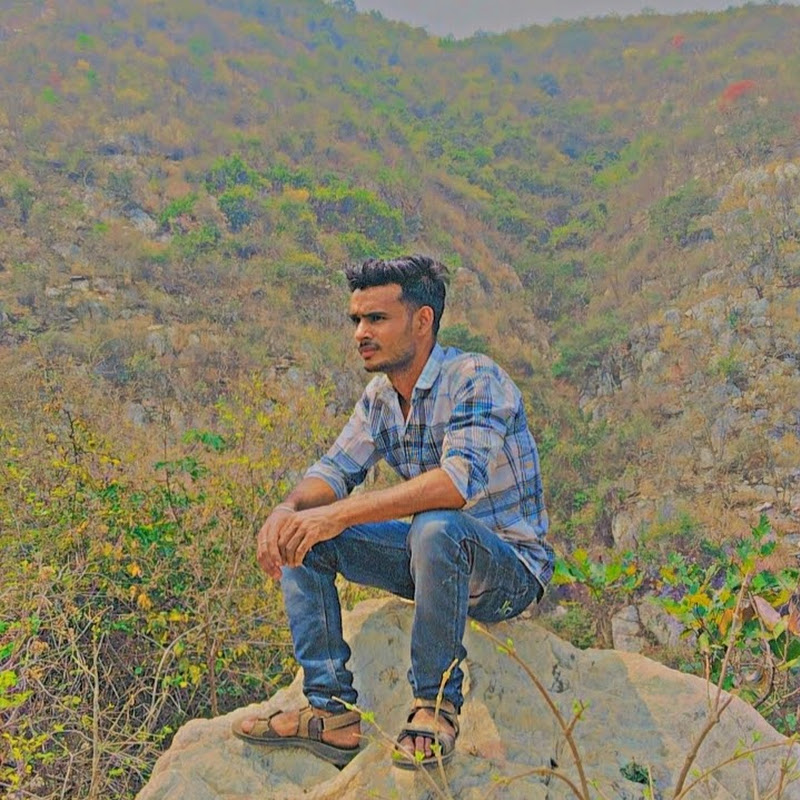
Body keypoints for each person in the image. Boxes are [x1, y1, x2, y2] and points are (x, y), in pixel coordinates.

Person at [232, 255, 553, 768]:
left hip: (507, 572)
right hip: (432, 560)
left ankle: (435, 705)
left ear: (422, 321)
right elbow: (334, 469)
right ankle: (329, 710)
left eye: (376, 318)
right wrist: (287, 509)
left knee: (436, 525)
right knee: (304, 533)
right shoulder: (381, 398)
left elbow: (455, 485)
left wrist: (341, 514)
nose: (361, 333)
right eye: (357, 319)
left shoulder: (474, 378)